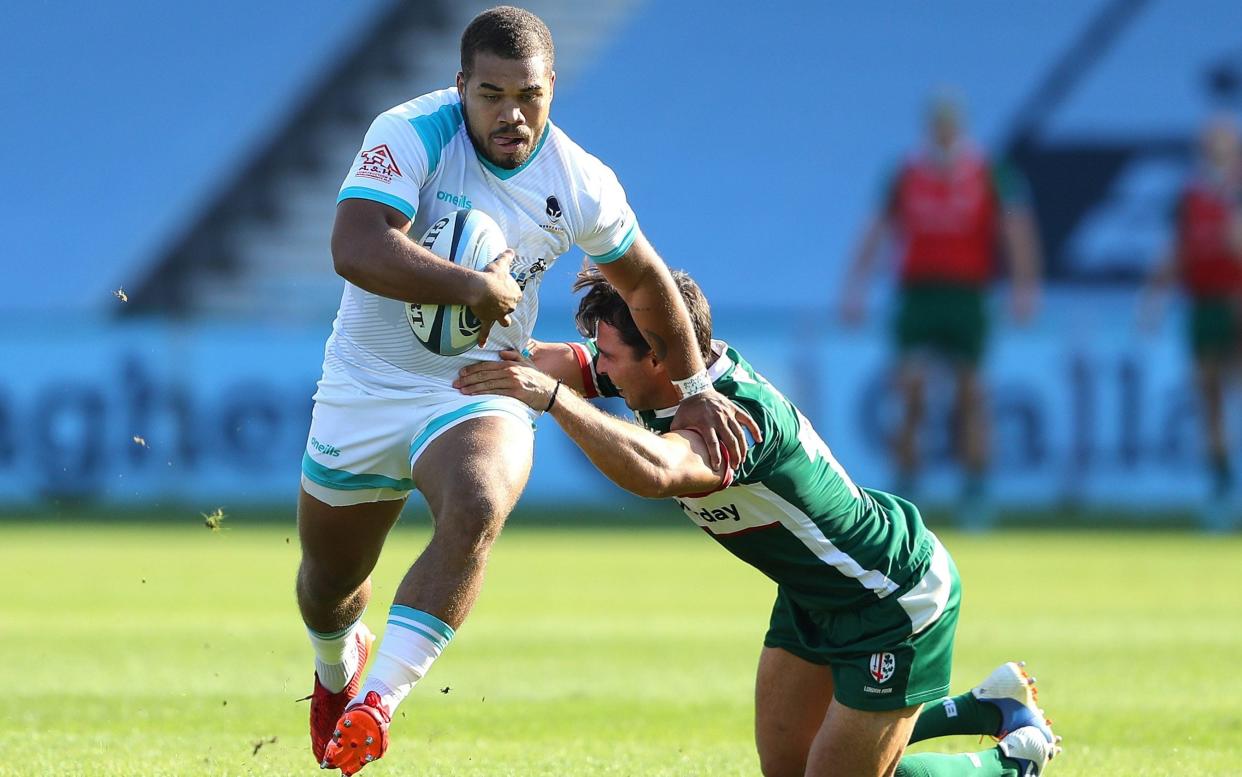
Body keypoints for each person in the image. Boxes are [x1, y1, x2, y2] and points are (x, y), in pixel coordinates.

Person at [298, 7, 759, 774]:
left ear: (551, 91)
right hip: (365, 383)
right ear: (460, 88)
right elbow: (354, 243)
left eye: (530, 95)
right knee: (329, 588)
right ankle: (333, 669)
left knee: (479, 500)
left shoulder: (578, 179)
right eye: (491, 94)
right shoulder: (411, 132)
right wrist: (470, 285)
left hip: (478, 381)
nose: (512, 113)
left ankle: (374, 704)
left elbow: (644, 279)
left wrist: (698, 386)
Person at [456, 268, 1060, 777]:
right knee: (789, 767)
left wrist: (555, 400)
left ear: (661, 355)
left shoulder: (735, 421)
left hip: (889, 598)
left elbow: (657, 472)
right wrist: (466, 347)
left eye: (612, 358)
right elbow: (558, 359)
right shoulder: (666, 372)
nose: (603, 373)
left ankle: (1010, 761)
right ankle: (980, 707)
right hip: (812, 592)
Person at [838, 91, 1041, 526]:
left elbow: (1015, 229)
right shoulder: (907, 173)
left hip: (967, 294)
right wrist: (855, 285)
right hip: (918, 294)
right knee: (909, 392)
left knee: (972, 395)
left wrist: (1024, 286)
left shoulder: (988, 171)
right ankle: (906, 487)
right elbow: (876, 229)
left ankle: (975, 493)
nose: (944, 131)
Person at [1142, 114, 1242, 530]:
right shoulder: (1192, 197)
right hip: (1204, 306)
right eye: (1209, 145)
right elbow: (1178, 251)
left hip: (1236, 303)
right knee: (1210, 398)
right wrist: (1154, 297)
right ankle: (1221, 489)